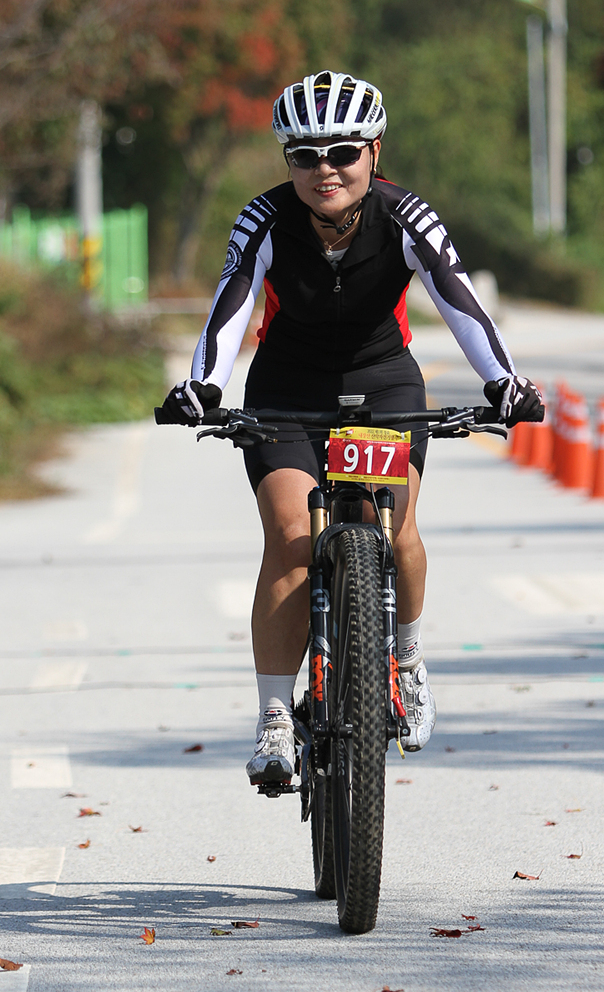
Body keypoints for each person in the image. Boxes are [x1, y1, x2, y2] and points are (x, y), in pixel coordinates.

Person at [159, 71, 542, 787]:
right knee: (291, 538)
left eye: (342, 153)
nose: (324, 170)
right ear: (288, 162)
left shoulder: (406, 215)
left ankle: (407, 660)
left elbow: (459, 300)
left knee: (392, 528)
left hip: (383, 381)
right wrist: (203, 385)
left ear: (373, 152)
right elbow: (230, 303)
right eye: (305, 156)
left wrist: (504, 381)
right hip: (287, 388)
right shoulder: (265, 218)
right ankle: (276, 718)